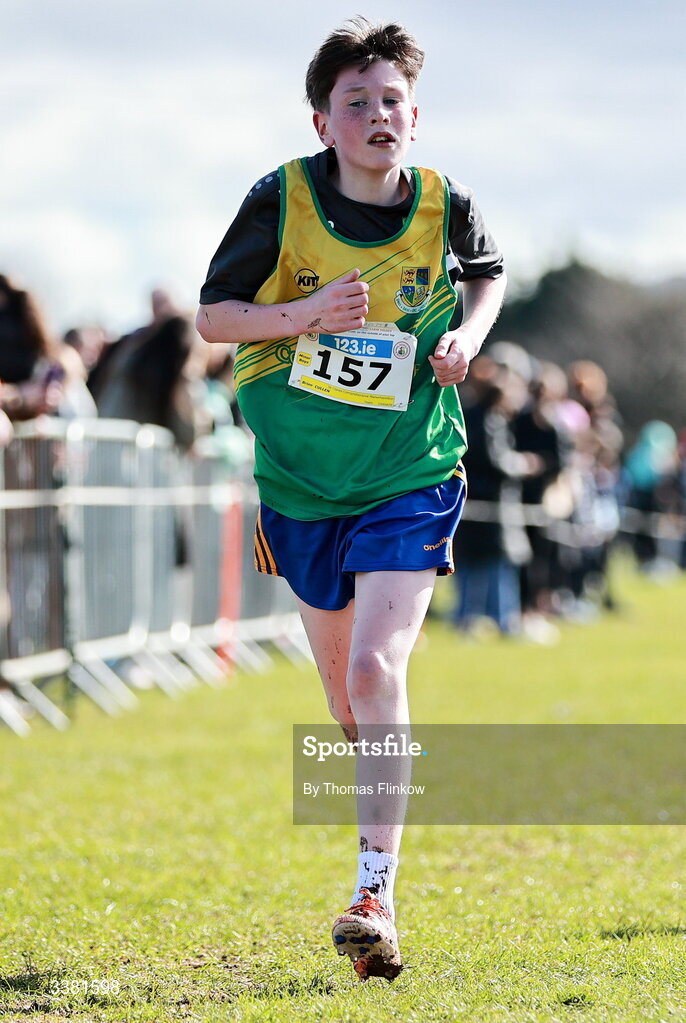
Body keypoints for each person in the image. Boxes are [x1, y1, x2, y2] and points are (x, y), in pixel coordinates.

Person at [197, 17, 506, 981]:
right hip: (299, 478)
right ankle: (386, 788)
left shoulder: (448, 203)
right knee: (346, 698)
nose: (379, 117)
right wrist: (307, 315)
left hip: (409, 467)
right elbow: (214, 316)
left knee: (376, 672)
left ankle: (376, 889)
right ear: (324, 121)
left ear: (416, 118)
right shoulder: (278, 198)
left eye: (394, 103)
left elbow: (489, 275)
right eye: (358, 103)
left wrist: (469, 336)